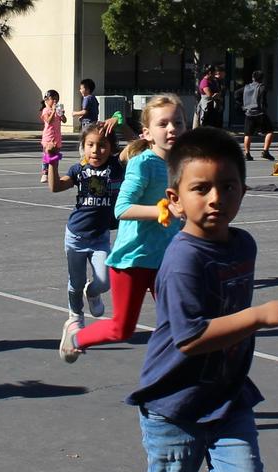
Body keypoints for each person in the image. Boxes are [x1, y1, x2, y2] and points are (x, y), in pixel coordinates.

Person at [115, 126, 278, 472]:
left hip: (227, 400)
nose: (215, 198)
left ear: (243, 190)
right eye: (200, 188)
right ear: (175, 198)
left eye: (228, 186)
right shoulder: (181, 259)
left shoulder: (243, 245)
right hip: (174, 406)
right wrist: (259, 316)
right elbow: (191, 338)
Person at [59, 94, 186, 361]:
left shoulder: (182, 165)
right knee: (122, 328)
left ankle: (170, 381)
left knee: (179, 322)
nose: (172, 128)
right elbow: (122, 209)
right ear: (147, 133)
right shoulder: (143, 164)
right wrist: (161, 210)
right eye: (163, 124)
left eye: (178, 123)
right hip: (133, 259)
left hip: (165, 258)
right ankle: (77, 337)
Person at [47, 121, 122, 337]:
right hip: (75, 237)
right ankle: (75, 315)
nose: (96, 150)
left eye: (102, 145)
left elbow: (140, 144)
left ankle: (93, 293)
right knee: (76, 282)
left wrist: (122, 121)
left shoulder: (117, 167)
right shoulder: (78, 170)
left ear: (111, 148)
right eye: (90, 145)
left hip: (100, 238)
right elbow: (55, 187)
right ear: (83, 146)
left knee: (103, 281)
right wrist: (52, 161)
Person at [240, 70, 274, 161]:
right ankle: (265, 151)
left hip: (249, 112)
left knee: (248, 134)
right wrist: (264, 107)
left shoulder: (246, 87)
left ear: (253, 78)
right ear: (262, 79)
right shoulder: (262, 87)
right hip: (259, 112)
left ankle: (247, 153)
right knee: (269, 131)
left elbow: (236, 94)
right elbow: (263, 99)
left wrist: (242, 105)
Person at [40, 89, 67, 183]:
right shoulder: (45, 110)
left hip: (57, 138)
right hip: (48, 137)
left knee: (56, 156)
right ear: (46, 100)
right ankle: (45, 173)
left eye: (57, 99)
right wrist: (53, 111)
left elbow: (64, 120)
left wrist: (62, 114)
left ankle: (54, 173)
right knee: (47, 155)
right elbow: (49, 121)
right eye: (53, 99)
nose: (55, 101)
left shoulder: (58, 110)